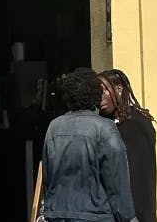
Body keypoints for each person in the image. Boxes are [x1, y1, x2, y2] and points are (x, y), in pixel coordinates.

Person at [38, 68, 136, 222]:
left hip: (57, 213)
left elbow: (48, 177)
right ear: (95, 93)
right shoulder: (105, 127)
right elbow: (117, 183)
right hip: (95, 215)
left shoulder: (54, 127)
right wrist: (129, 218)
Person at [100, 69, 157, 222]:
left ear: (119, 89)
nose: (100, 98)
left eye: (104, 91)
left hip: (135, 212)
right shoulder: (103, 123)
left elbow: (140, 176)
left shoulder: (136, 125)